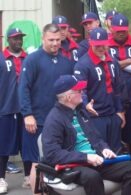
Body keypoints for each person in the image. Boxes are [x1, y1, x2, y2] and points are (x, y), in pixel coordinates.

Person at [41, 75, 131, 195]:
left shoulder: (81, 111)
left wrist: (104, 149)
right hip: (73, 164)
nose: (82, 92)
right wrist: (85, 157)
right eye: (79, 91)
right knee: (92, 177)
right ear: (68, 97)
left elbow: (96, 138)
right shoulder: (54, 119)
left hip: (95, 160)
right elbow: (52, 154)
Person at [18, 23, 74, 193]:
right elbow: (23, 88)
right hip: (38, 121)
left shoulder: (66, 63)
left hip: (61, 121)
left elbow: (72, 91)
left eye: (58, 40)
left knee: (60, 161)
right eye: (51, 40)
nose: (55, 43)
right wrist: (27, 114)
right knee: (38, 163)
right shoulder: (32, 59)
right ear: (43, 38)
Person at [74, 27, 124, 153]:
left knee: (115, 150)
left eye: (103, 45)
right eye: (97, 46)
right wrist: (86, 105)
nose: (101, 48)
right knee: (101, 151)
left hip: (112, 115)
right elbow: (81, 90)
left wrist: (120, 111)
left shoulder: (112, 62)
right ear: (91, 43)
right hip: (95, 117)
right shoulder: (83, 64)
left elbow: (118, 88)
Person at [108, 13, 131, 162]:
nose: (121, 33)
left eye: (123, 30)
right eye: (118, 30)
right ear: (111, 29)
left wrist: (118, 64)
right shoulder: (106, 44)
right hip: (113, 99)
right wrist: (129, 61)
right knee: (115, 136)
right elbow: (109, 65)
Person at [0, 28, 31, 193]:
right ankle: (1, 179)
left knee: (26, 145)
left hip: (26, 111)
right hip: (5, 109)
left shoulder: (29, 59)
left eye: (20, 38)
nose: (18, 41)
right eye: (15, 38)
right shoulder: (1, 58)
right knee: (2, 147)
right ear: (8, 40)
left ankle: (28, 177)